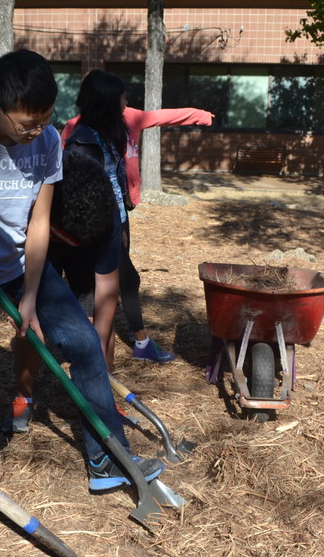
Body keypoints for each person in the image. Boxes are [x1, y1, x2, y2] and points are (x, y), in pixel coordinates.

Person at [0, 49, 164, 519]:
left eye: (45, 120)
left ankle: (107, 457)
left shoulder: (48, 141)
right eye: (25, 124)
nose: (35, 132)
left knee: (86, 346)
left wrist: (32, 296)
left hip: (22, 269)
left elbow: (39, 222)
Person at [61, 69, 214, 363]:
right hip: (92, 223)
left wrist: (199, 115)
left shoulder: (122, 123)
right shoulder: (79, 134)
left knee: (118, 277)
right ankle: (131, 342)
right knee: (121, 279)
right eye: (122, 97)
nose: (126, 101)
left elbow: (164, 117)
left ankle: (100, 343)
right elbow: (69, 177)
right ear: (107, 101)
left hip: (117, 215)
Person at [3, 149, 122, 433]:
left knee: (99, 327)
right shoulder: (32, 197)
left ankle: (102, 401)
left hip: (86, 247)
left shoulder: (104, 216)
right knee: (30, 329)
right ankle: (24, 396)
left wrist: (97, 358)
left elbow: (106, 292)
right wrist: (26, 303)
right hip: (39, 246)